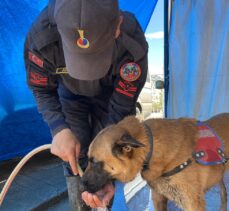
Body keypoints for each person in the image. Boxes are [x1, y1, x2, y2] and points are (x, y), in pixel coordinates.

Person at [24, 0, 148, 209]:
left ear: (117, 25)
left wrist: (105, 175)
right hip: (70, 94)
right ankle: (79, 205)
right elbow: (41, 89)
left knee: (106, 151)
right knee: (73, 149)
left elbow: (122, 103)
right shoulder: (41, 40)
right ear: (58, 28)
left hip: (111, 97)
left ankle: (103, 203)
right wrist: (58, 129)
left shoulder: (131, 45)